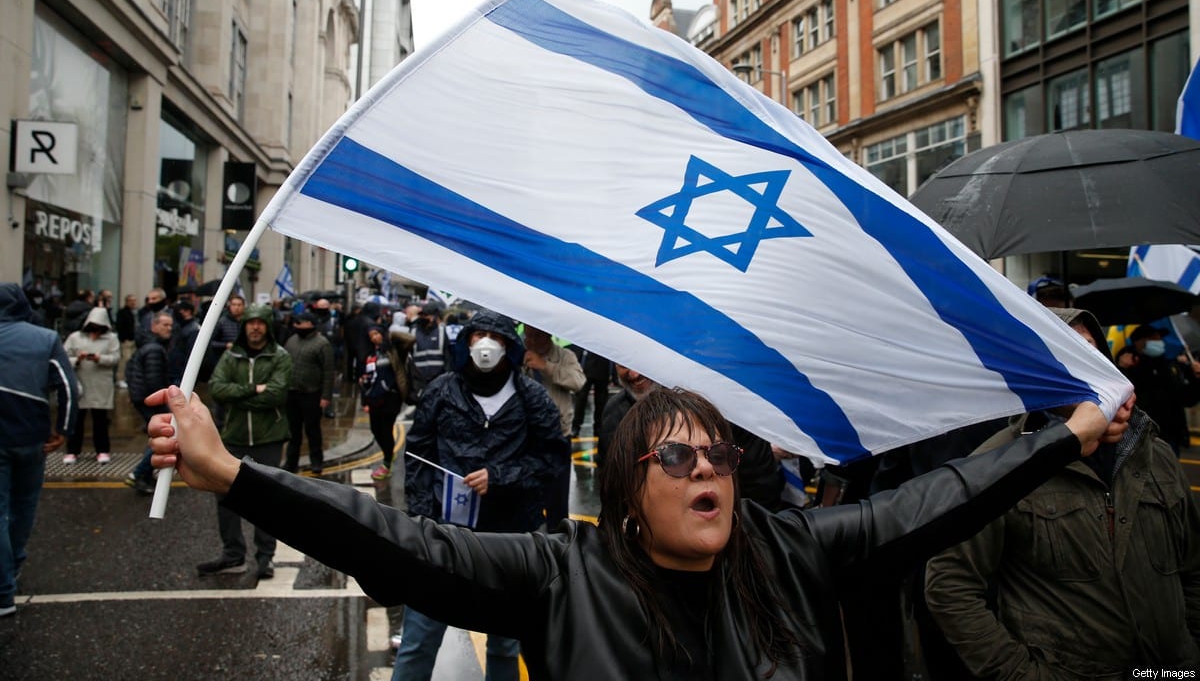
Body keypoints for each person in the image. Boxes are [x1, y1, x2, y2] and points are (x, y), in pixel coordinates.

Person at [148, 380, 1124, 678]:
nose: (707, 469)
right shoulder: (559, 573)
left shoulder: (793, 549)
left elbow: (938, 498)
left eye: (719, 456)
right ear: (626, 488)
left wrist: (1061, 437)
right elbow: (398, 542)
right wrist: (233, 473)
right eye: (677, 457)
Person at [925, 306, 1200, 679]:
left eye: (1090, 350)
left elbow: (1191, 565)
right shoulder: (999, 463)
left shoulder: (1154, 452)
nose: (1084, 363)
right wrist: (1021, 674)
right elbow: (950, 586)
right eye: (1066, 351)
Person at [395, 310, 566, 681]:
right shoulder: (441, 390)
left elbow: (551, 459)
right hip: (443, 537)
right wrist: (422, 521)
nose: (486, 343)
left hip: (508, 537)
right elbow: (417, 456)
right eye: (479, 334)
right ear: (466, 341)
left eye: (496, 336)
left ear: (509, 345)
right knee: (419, 638)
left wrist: (502, 478)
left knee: (505, 642)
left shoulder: (530, 396)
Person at [0, 282, 77, 618]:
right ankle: (13, 565)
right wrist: (64, 430)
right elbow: (69, 389)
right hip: (33, 435)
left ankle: (3, 592)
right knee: (24, 504)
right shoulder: (44, 337)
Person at [202, 302, 292, 579]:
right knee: (227, 497)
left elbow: (276, 395)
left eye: (260, 322)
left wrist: (239, 397)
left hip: (269, 437)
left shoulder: (280, 356)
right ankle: (233, 554)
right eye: (250, 322)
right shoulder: (232, 357)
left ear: (268, 326)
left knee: (265, 500)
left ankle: (265, 557)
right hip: (235, 436)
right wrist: (253, 389)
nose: (255, 327)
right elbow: (216, 389)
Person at [521, 324, 584, 526]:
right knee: (528, 498)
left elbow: (578, 382)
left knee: (557, 499)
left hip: (558, 436)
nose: (531, 341)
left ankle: (559, 544)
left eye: (536, 336)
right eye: (527, 336)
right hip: (526, 437)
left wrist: (546, 367)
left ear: (548, 335)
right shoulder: (519, 354)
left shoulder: (565, 356)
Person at [1118, 322, 1200, 455]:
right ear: (1139, 343)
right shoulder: (1129, 367)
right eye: (1153, 338)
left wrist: (1196, 380)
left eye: (1159, 338)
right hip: (1140, 440)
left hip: (1170, 438)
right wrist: (1122, 369)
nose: (1159, 342)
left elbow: (1186, 399)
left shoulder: (1170, 367)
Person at [61, 306, 121, 464]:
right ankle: (72, 451)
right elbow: (63, 358)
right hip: (80, 382)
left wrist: (99, 358)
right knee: (77, 420)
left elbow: (115, 358)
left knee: (100, 420)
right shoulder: (75, 337)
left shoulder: (111, 338)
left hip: (101, 384)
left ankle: (102, 450)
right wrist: (78, 360)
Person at [124, 311, 175, 494]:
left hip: (142, 397)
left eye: (170, 325)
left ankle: (145, 476)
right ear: (154, 326)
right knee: (165, 434)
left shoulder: (149, 345)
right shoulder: (154, 348)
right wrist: (165, 402)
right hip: (150, 399)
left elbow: (130, 369)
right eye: (164, 325)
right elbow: (154, 381)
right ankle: (138, 474)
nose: (169, 328)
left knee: (158, 436)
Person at [282, 313, 335, 475]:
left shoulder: (322, 344)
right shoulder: (291, 341)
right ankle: (291, 463)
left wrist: (326, 397)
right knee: (293, 431)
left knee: (313, 431)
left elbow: (328, 371)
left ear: (312, 324)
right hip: (292, 393)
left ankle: (316, 462)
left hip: (312, 394)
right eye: (298, 323)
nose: (299, 326)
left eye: (303, 323)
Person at [358, 325, 411, 481]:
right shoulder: (370, 354)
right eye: (371, 335)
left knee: (386, 430)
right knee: (375, 429)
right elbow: (367, 377)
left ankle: (387, 463)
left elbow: (410, 340)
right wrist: (364, 396)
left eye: (377, 334)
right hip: (374, 398)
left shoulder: (394, 350)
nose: (374, 337)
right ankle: (389, 454)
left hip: (391, 397)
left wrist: (391, 335)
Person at [597, 363, 658, 466]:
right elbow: (608, 467)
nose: (634, 374)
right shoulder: (614, 410)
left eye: (641, 361)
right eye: (624, 365)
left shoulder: (684, 404)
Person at [406, 300, 452, 402]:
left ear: (434, 317)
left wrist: (447, 381)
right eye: (422, 315)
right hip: (419, 383)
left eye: (426, 315)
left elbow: (448, 358)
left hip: (438, 382)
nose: (424, 318)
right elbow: (409, 360)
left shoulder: (441, 332)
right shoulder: (412, 331)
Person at [570, 346, 613, 438]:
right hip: (586, 367)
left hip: (602, 366)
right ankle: (576, 426)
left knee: (601, 401)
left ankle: (598, 427)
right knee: (581, 399)